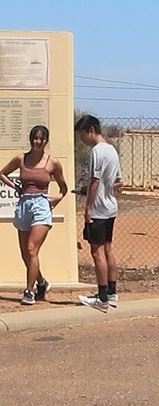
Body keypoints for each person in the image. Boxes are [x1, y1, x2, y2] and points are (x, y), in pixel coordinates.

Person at [0, 125, 69, 305]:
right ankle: (42, 283)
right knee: (25, 254)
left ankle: (29, 291)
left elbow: (63, 188)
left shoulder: (53, 163)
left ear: (46, 141)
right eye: (35, 138)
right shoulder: (21, 159)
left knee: (32, 249)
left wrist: (57, 199)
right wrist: (16, 187)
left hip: (41, 205)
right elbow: (2, 174)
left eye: (41, 138)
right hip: (24, 205)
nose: (37, 142)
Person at [75, 115, 122, 312]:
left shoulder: (97, 151)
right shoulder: (111, 150)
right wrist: (104, 189)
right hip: (111, 207)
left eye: (83, 135)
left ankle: (102, 297)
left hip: (99, 210)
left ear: (91, 130)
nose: (83, 140)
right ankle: (112, 293)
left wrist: (88, 208)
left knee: (97, 252)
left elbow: (95, 181)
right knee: (108, 249)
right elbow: (118, 182)